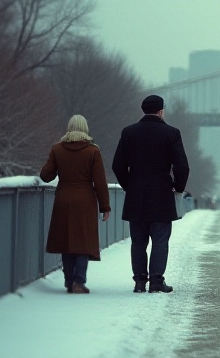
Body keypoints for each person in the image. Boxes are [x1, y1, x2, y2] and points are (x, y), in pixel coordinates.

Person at [112, 94, 190, 294]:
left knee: (138, 241)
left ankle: (139, 281)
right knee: (160, 239)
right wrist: (178, 187)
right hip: (162, 194)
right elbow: (182, 167)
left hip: (136, 194)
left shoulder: (129, 132)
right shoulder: (171, 133)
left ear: (143, 110)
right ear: (161, 111)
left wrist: (130, 185)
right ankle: (156, 281)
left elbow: (118, 166)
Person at [40, 115, 112, 294]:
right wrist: (105, 207)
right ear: (85, 128)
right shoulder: (93, 151)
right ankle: (79, 281)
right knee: (83, 241)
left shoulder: (57, 149)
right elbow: (100, 182)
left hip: (63, 199)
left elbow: (45, 176)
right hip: (85, 201)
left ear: (69, 128)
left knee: (67, 240)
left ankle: (68, 280)